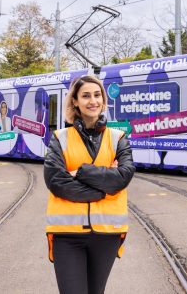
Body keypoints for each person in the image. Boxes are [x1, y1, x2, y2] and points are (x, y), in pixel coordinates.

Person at [44, 75, 135, 294]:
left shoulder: (118, 138)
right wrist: (103, 191)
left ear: (103, 100)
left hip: (106, 235)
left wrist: (80, 171)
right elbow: (56, 182)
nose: (92, 101)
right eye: (85, 96)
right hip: (67, 236)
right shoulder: (60, 138)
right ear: (75, 101)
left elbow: (123, 177)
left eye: (97, 95)